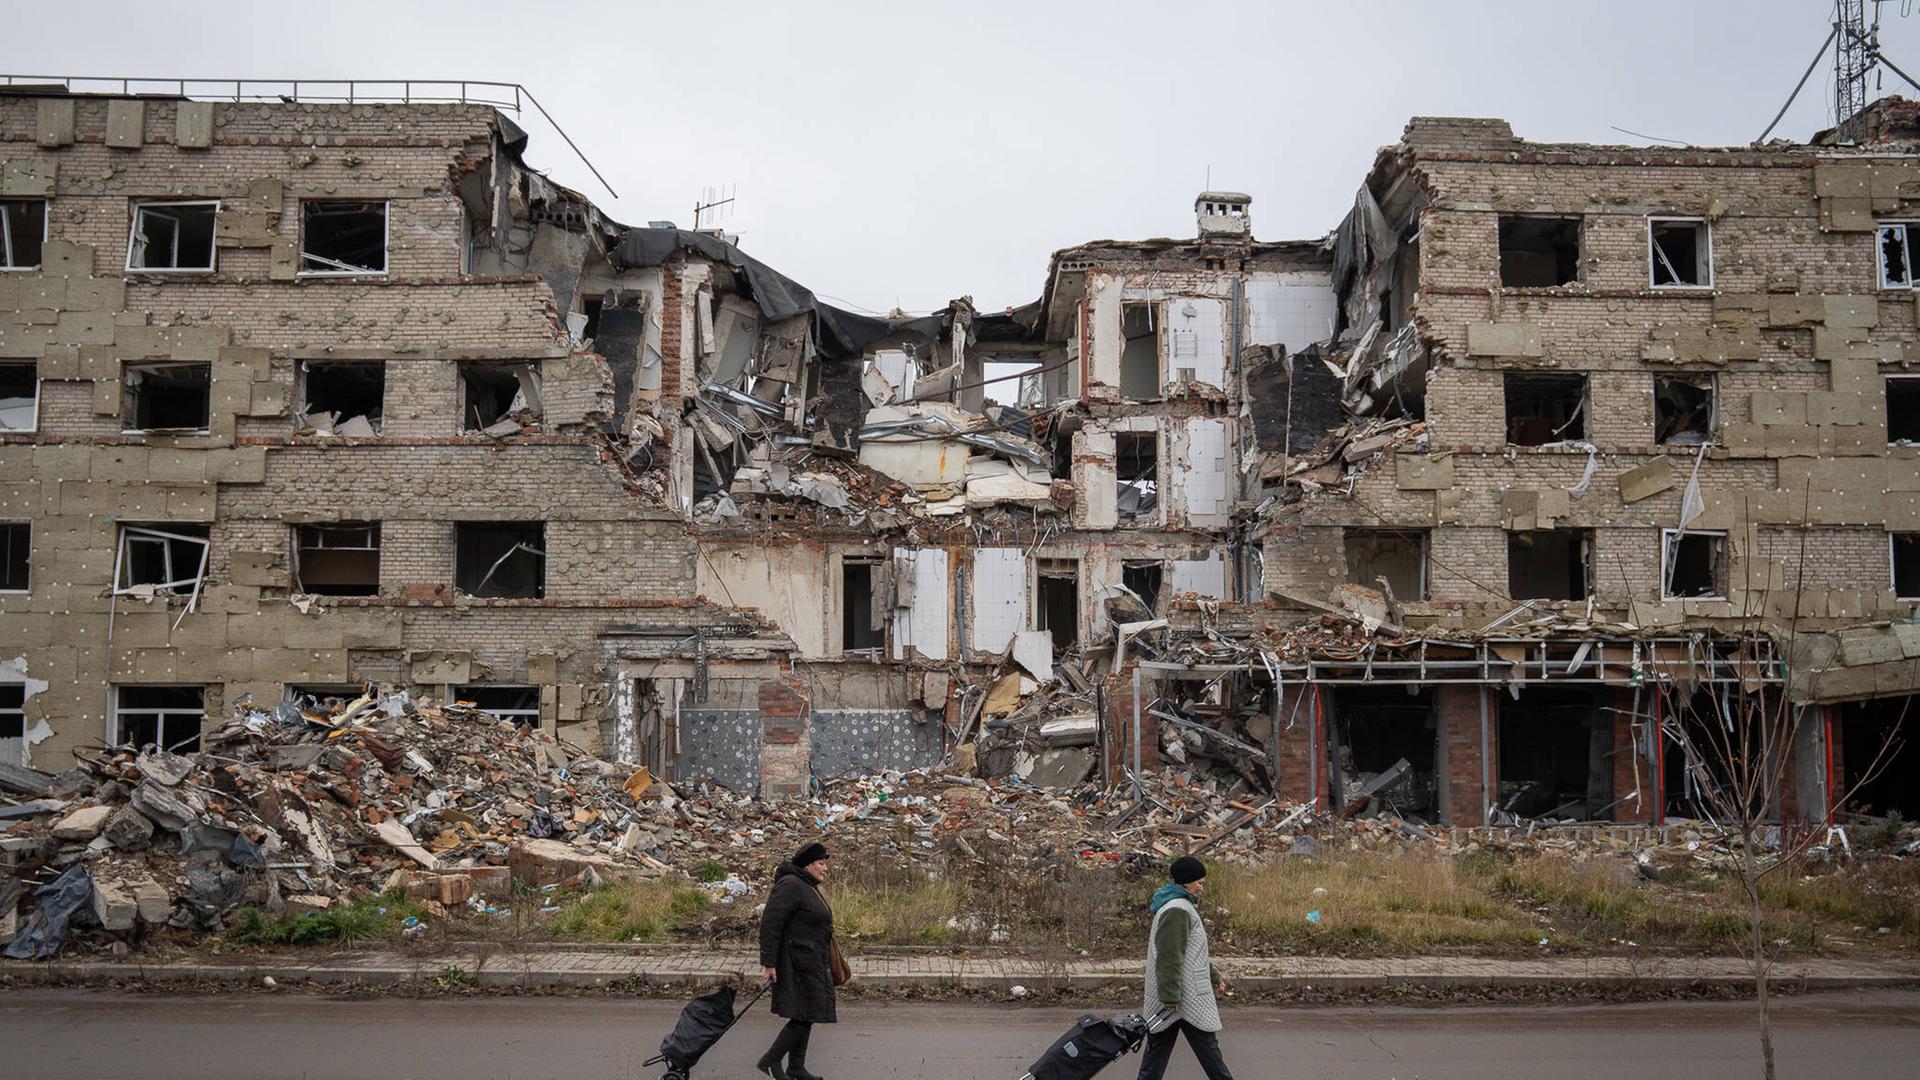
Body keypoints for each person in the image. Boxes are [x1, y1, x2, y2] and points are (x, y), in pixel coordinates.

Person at [1137, 855, 1235, 1080]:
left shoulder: (1179, 906)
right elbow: (1170, 956)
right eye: (1199, 882)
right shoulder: (1177, 910)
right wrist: (1170, 997)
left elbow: (1191, 952)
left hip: (1178, 994)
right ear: (1185, 883)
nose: (1202, 887)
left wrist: (1213, 975)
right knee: (1209, 1052)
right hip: (1184, 996)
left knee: (1156, 1055)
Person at [756, 841, 836, 1080]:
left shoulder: (805, 884)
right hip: (796, 963)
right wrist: (769, 963)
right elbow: (770, 924)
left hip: (810, 960)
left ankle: (796, 1067)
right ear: (808, 865)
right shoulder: (790, 885)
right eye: (821, 863)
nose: (825, 868)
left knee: (807, 1013)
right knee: (805, 1013)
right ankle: (770, 1060)